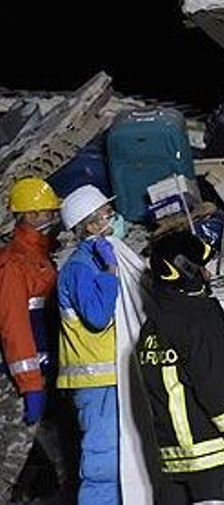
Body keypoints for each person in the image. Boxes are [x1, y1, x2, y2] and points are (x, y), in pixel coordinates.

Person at [137, 230, 224, 504]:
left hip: (172, 459)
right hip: (212, 456)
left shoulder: (150, 328)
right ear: (187, 271)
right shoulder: (201, 320)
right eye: (202, 267)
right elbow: (217, 387)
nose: (207, 274)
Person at [57, 184, 125, 505]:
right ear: (91, 225)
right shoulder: (79, 268)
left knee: (117, 459)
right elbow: (97, 317)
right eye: (107, 216)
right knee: (102, 463)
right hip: (94, 381)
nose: (112, 220)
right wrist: (111, 271)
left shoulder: (92, 262)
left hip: (108, 378)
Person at [0, 178, 60, 501]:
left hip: (43, 373)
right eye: (50, 211)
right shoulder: (13, 265)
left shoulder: (38, 257)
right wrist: (30, 386)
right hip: (18, 383)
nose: (54, 216)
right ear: (32, 215)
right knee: (9, 461)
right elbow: (15, 328)